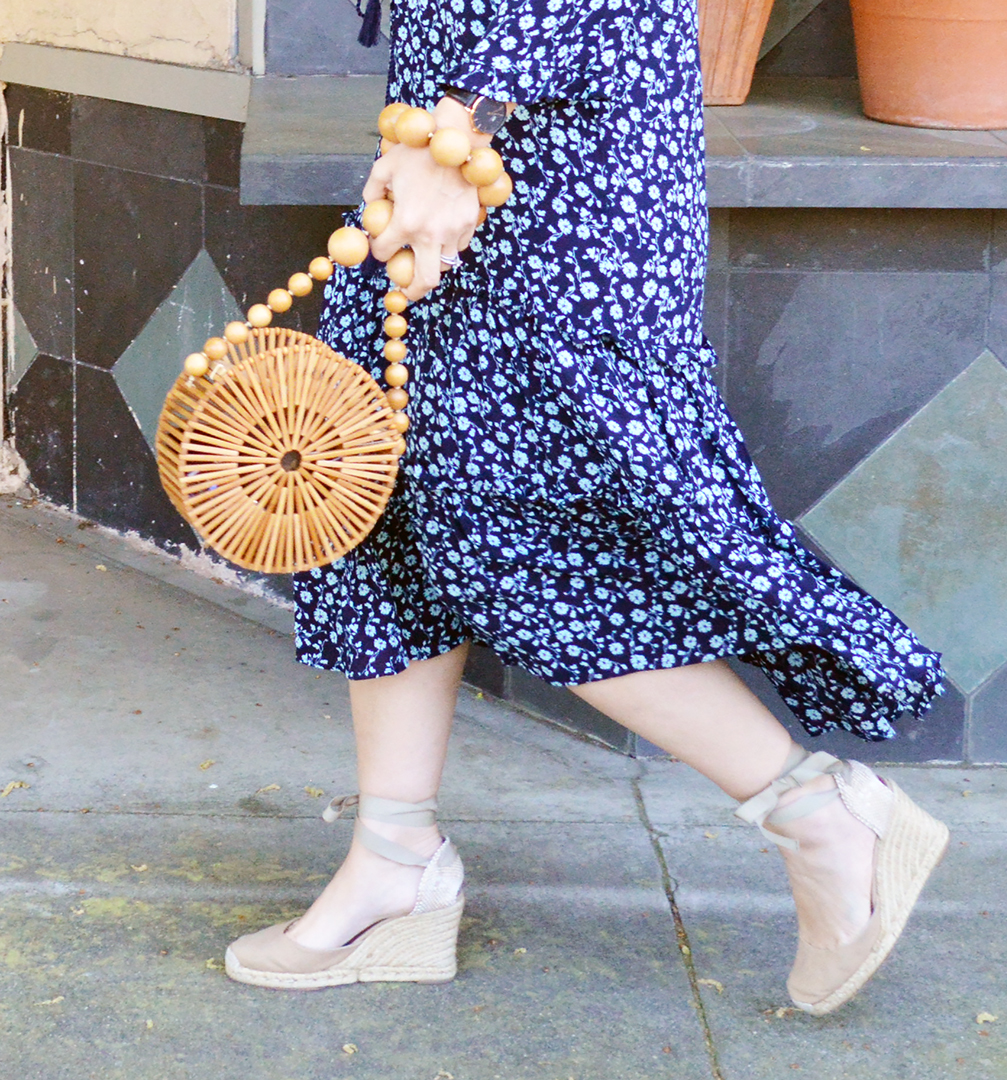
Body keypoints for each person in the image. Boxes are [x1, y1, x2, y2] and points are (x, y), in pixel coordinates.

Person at [224, 0, 949, 1015]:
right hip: (471, 116)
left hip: (550, 148)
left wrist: (462, 121)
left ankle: (821, 814)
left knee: (526, 549)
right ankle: (393, 864)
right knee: (380, 489)